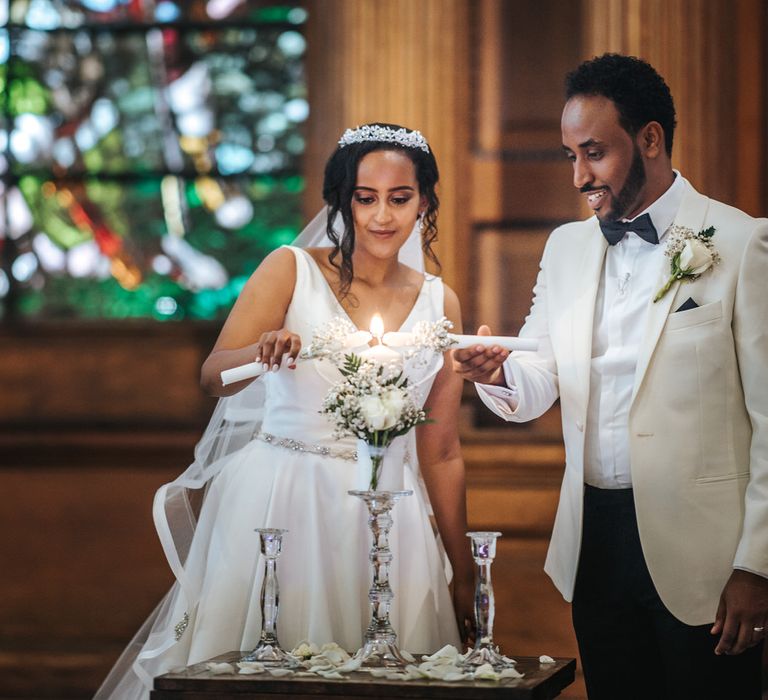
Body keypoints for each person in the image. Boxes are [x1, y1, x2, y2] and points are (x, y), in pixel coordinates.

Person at [95, 123, 475, 699]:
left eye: (400, 199)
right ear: (340, 201)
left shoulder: (438, 300)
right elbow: (212, 376)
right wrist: (261, 351)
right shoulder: (291, 269)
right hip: (284, 500)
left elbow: (441, 449)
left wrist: (462, 565)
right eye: (364, 198)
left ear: (425, 200)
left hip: (391, 515)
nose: (382, 216)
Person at [453, 54, 768, 700]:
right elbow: (538, 378)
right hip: (596, 545)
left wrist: (756, 565)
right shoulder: (566, 249)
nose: (579, 176)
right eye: (571, 155)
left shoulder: (739, 244)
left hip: (708, 560)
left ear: (650, 139)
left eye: (593, 153)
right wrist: (500, 370)